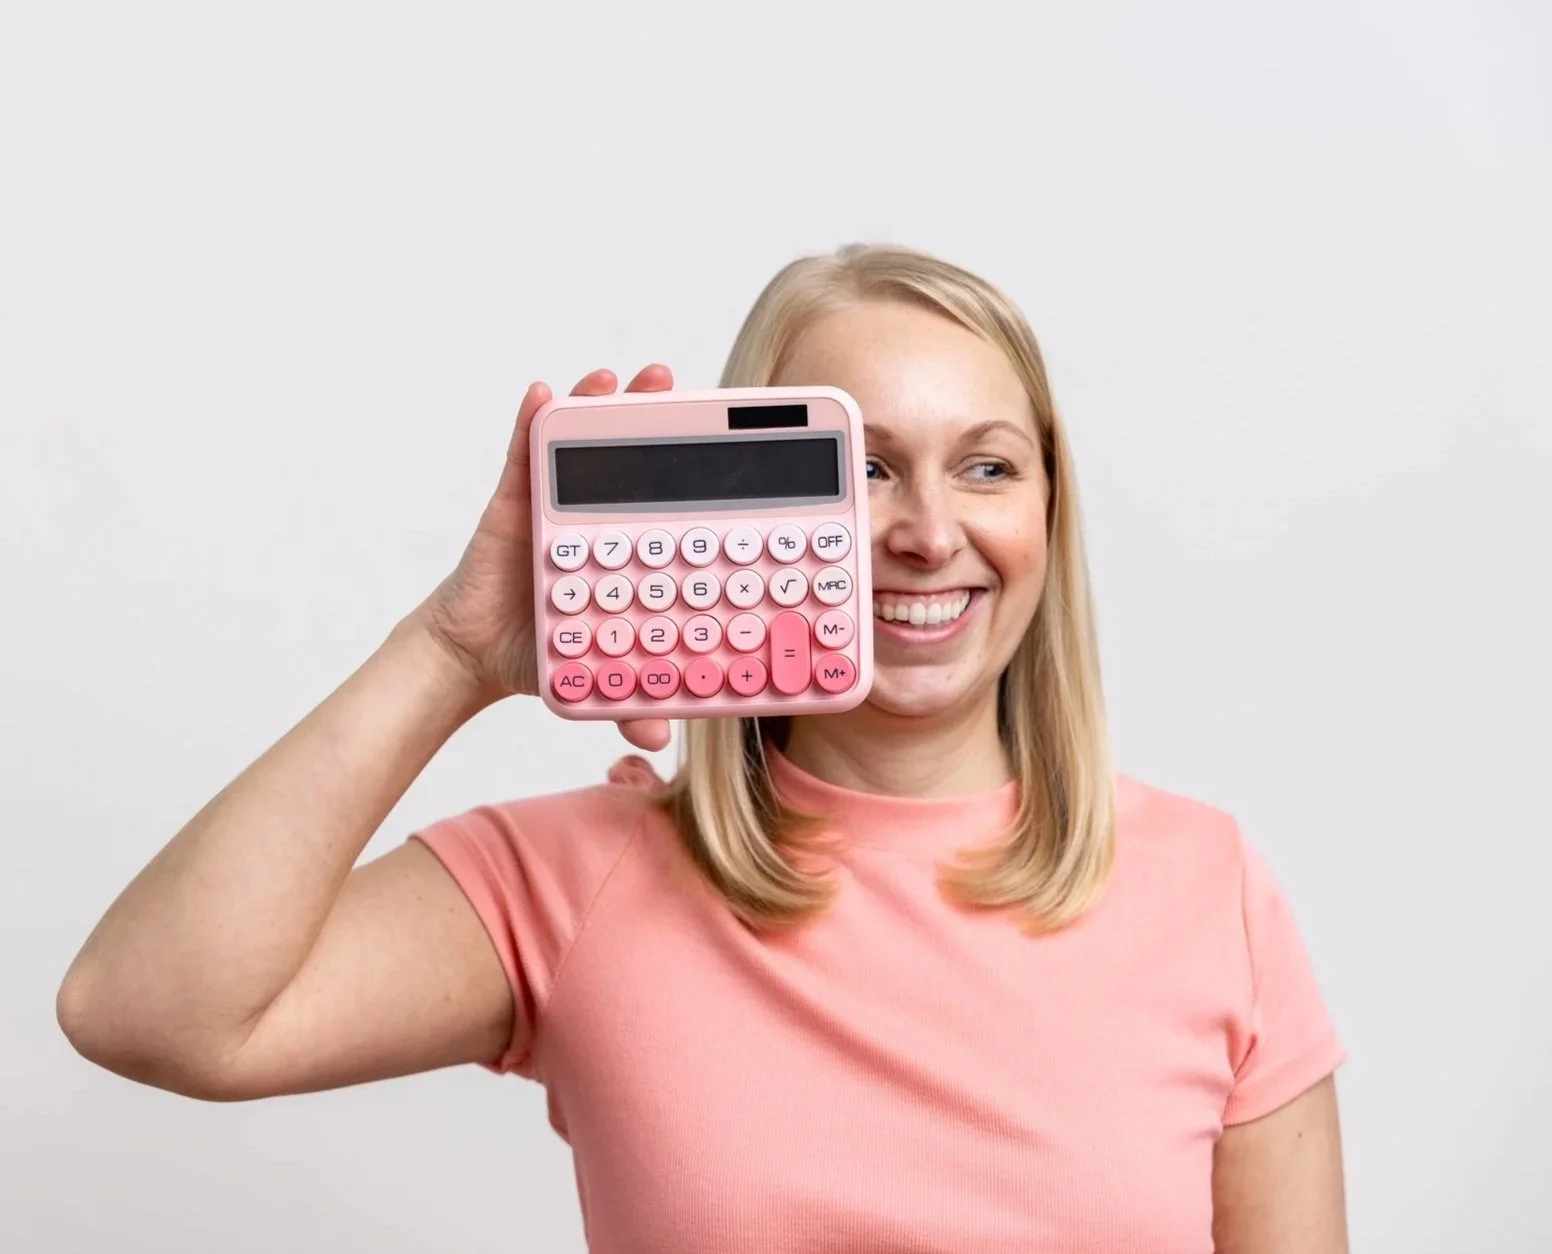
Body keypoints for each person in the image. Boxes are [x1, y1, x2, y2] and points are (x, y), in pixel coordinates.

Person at [56, 243, 1349, 1252]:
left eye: (989, 466)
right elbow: (151, 1010)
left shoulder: (1205, 881)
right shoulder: (581, 878)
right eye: (864, 466)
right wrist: (452, 653)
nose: (928, 529)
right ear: (745, 502)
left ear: (1048, 513)